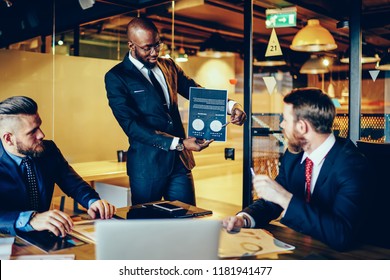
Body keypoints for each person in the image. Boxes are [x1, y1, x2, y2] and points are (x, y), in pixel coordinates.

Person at [104, 17, 246, 206]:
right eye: (147, 48)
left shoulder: (168, 65)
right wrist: (180, 143)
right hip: (147, 168)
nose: (154, 53)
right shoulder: (117, 77)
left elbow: (196, 92)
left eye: (157, 45)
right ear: (131, 45)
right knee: (147, 225)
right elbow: (132, 126)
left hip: (180, 164)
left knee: (188, 220)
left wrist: (231, 106)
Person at [223, 87, 368, 251]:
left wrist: (285, 198)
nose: (281, 124)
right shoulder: (294, 155)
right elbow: (272, 202)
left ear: (302, 127)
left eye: (285, 119)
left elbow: (341, 235)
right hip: (301, 247)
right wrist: (244, 219)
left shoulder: (352, 165)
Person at [0, 96, 116, 237]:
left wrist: (93, 202)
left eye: (40, 126)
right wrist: (31, 219)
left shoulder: (48, 150)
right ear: (8, 138)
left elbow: (74, 184)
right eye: (32, 132)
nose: (41, 134)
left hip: (44, 236)